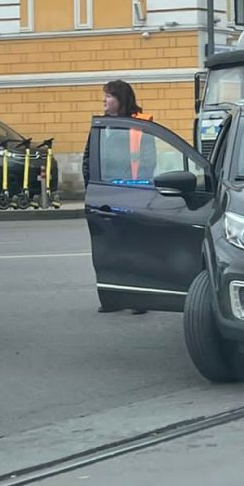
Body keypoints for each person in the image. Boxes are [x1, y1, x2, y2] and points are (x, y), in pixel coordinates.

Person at [84, 80, 154, 314]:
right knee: (109, 248)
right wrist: (91, 188)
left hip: (132, 193)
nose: (104, 101)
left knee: (135, 248)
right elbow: (88, 159)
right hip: (105, 195)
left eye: (108, 97)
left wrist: (139, 191)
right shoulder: (102, 126)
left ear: (121, 99)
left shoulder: (140, 124)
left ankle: (139, 299)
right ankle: (113, 298)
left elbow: (147, 162)